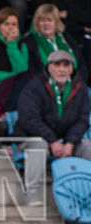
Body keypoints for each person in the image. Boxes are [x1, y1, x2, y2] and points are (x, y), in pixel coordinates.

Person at [15, 50, 91, 205]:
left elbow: (83, 120)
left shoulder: (80, 88)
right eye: (57, 65)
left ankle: (85, 194)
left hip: (65, 139)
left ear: (72, 68)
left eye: (66, 65)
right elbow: (29, 119)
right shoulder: (35, 86)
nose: (61, 69)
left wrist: (70, 143)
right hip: (33, 137)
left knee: (87, 146)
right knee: (39, 145)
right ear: (49, 67)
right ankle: (32, 193)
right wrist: (52, 141)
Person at [23, 4, 84, 81]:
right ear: (37, 22)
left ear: (56, 22)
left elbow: (81, 65)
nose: (46, 24)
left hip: (74, 83)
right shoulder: (29, 42)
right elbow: (32, 71)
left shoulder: (66, 38)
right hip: (44, 84)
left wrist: (78, 83)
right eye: (42, 20)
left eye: (49, 20)